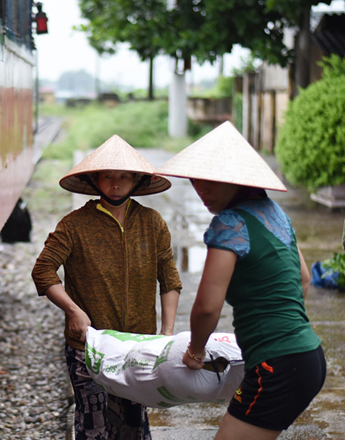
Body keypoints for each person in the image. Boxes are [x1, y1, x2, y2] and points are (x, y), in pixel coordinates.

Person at [156, 121, 326, 440]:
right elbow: (303, 279)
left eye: (211, 182)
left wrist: (194, 351)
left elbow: (208, 307)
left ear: (236, 180)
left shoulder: (229, 224)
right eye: (195, 181)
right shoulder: (276, 214)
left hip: (278, 364)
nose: (202, 190)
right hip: (309, 356)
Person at [31, 135, 182, 440]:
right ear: (95, 179)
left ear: (136, 180)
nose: (116, 183)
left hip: (137, 347)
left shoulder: (153, 223)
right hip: (89, 345)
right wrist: (73, 310)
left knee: (133, 424)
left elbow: (169, 279)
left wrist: (166, 335)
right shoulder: (74, 225)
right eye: (108, 175)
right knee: (93, 426)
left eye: (124, 176)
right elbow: (43, 270)